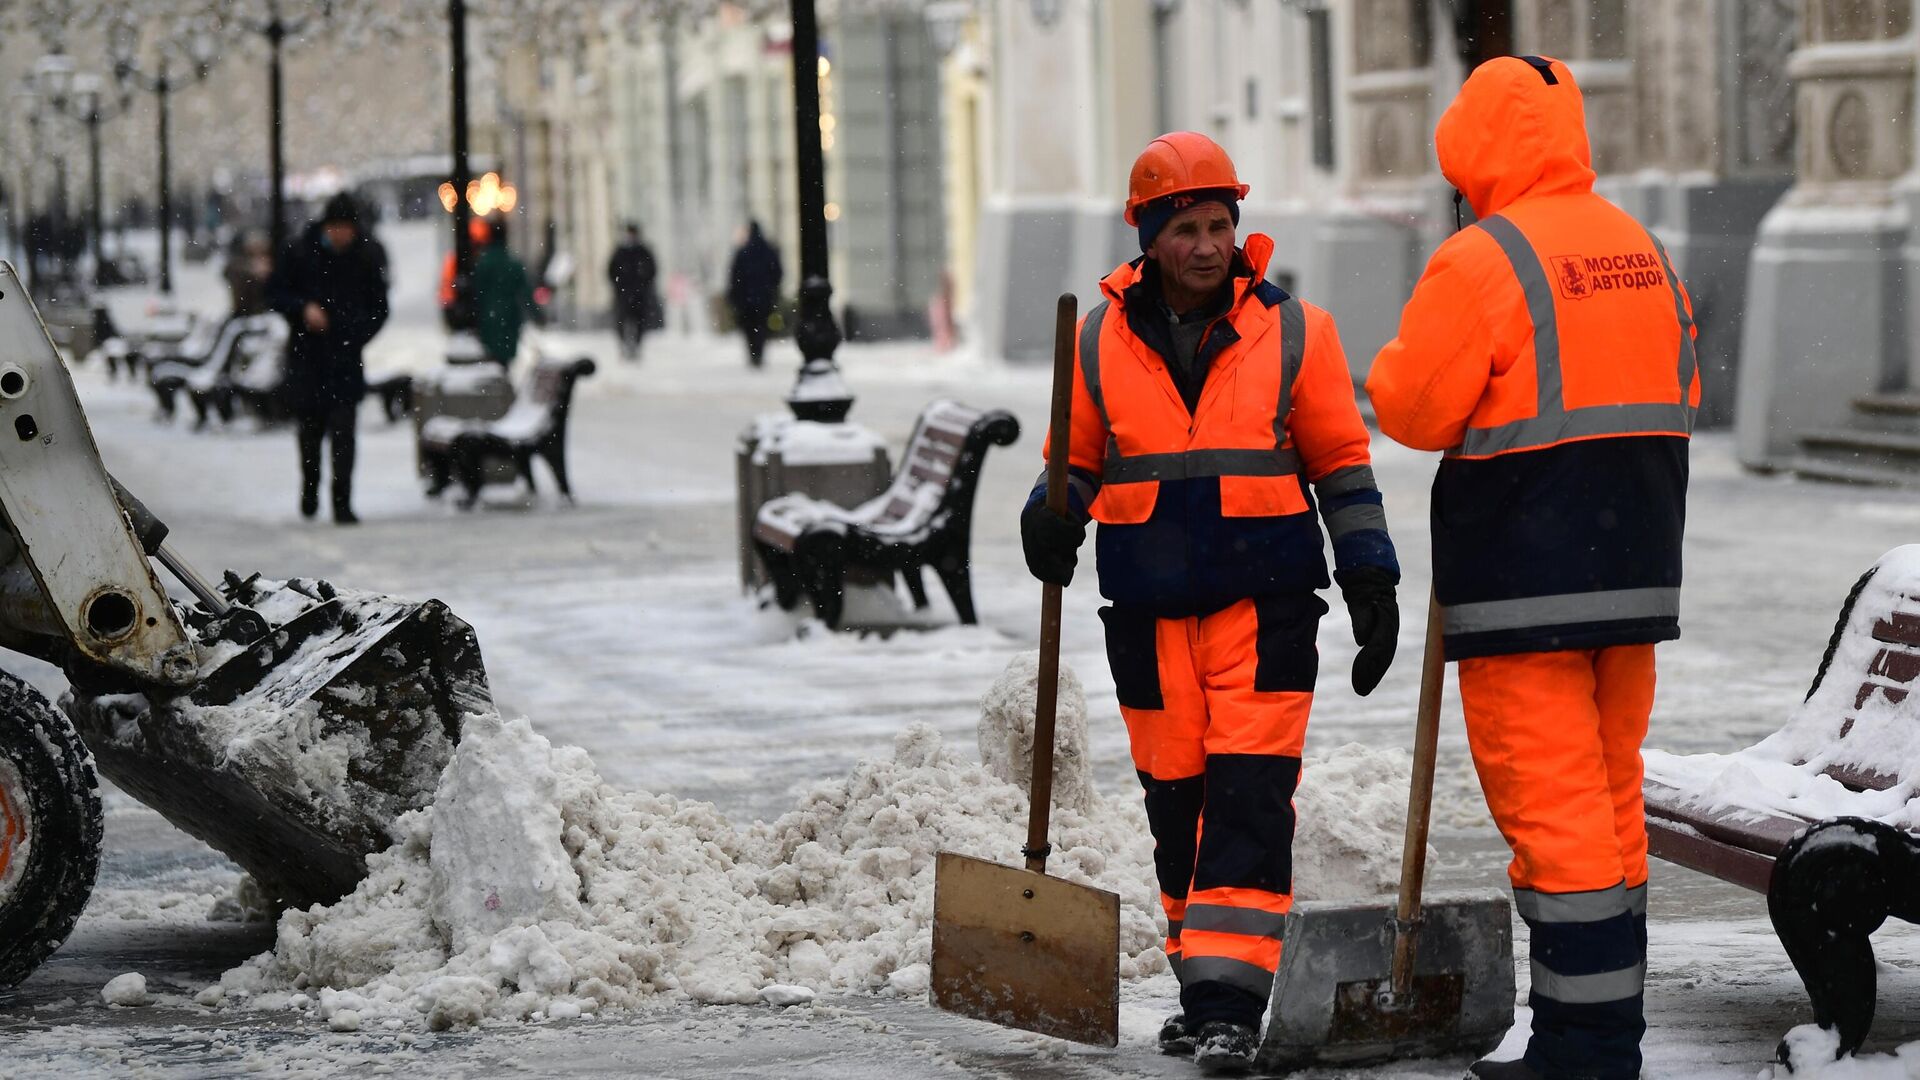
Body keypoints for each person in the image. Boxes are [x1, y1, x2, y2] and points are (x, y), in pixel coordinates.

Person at [1020, 132, 1400, 1074]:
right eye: (1186, 227)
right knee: (1176, 806)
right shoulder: (1097, 339)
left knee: (1249, 801)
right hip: (1147, 616)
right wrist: (1050, 514)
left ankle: (1232, 1002)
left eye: (1220, 225)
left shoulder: (1297, 331)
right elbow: (1072, 457)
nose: (1206, 245)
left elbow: (1342, 466)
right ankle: (1201, 985)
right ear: (1149, 237)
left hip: (1266, 609)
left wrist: (1371, 576)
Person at [1365, 56, 1699, 1080]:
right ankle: (1606, 1028)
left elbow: (1418, 408)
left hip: (1525, 580)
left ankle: (1585, 1050)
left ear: (1471, 150)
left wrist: (1384, 365)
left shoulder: (1482, 259)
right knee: (1607, 798)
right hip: (1636, 567)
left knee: (1553, 810)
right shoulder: (1641, 246)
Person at [267, 192, 390, 525]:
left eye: (347, 228)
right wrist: (302, 309)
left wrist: (355, 334)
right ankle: (310, 488)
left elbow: (379, 308)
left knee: (344, 434)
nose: (341, 235)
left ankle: (342, 501)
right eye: (336, 228)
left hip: (345, 361)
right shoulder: (300, 252)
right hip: (308, 359)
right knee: (309, 434)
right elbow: (275, 292)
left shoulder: (365, 256)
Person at [467, 215, 538, 366]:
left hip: (488, 320)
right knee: (504, 362)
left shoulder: (482, 263)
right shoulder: (513, 263)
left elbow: (475, 294)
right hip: (510, 319)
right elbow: (526, 293)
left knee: (491, 361)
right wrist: (537, 315)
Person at [726, 221, 783, 368]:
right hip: (764, 297)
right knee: (761, 325)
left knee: (749, 327)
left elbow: (735, 276)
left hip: (747, 299)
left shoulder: (743, 252)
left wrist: (735, 295)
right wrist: (772, 288)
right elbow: (777, 272)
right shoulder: (768, 251)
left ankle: (753, 352)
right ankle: (759, 352)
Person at [607, 222, 659, 361]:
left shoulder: (643, 251)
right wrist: (618, 285)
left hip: (639, 293)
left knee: (640, 320)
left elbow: (652, 270)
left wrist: (644, 283)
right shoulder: (620, 251)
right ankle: (624, 345)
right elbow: (611, 271)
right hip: (623, 293)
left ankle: (636, 345)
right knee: (622, 320)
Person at [223, 229, 273, 317]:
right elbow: (228, 271)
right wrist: (252, 272)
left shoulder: (271, 262)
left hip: (267, 312)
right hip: (243, 313)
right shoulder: (238, 265)